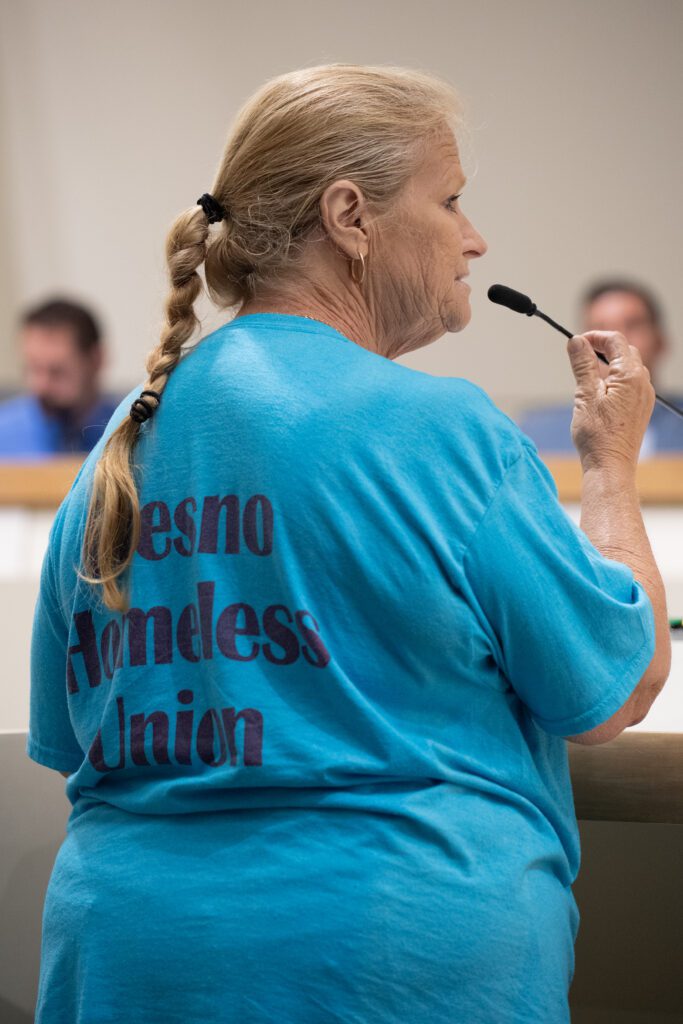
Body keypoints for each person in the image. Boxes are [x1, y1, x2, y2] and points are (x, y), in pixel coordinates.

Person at [26, 64, 670, 1024]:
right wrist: (611, 466)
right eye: (449, 200)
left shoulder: (124, 438)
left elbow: (69, 735)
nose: (474, 236)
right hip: (386, 967)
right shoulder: (440, 429)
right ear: (350, 217)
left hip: (127, 961)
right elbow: (611, 685)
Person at [518, 278, 683, 455]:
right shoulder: (538, 433)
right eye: (601, 328)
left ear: (660, 342)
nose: (615, 340)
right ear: (579, 348)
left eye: (633, 325)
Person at [0, 296, 119, 458]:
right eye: (33, 369)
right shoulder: (4, 432)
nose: (41, 386)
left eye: (57, 371)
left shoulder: (128, 432)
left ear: (96, 360)